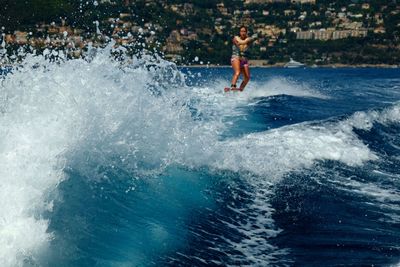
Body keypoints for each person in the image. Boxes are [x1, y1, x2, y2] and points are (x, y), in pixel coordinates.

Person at [228, 26, 257, 91]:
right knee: (237, 72)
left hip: (244, 60)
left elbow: (253, 38)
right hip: (236, 57)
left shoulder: (248, 40)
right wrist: (242, 43)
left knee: (247, 77)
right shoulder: (235, 38)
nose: (243, 33)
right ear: (239, 32)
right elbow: (238, 43)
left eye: (244, 31)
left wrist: (250, 40)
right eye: (241, 31)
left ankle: (241, 89)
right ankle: (233, 86)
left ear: (246, 32)